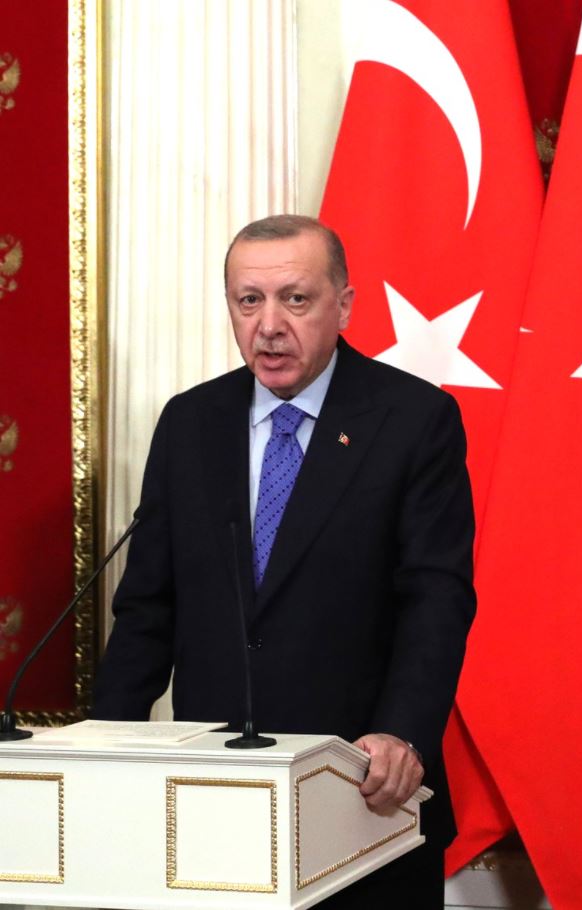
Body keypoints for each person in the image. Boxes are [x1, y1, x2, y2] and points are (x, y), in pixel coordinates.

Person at [94, 214, 477, 905]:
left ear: (344, 304)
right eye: (249, 300)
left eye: (294, 299)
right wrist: (104, 750)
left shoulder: (414, 420)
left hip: (362, 798)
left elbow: (437, 598)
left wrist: (401, 733)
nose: (269, 325)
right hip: (214, 804)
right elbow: (148, 606)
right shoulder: (190, 422)